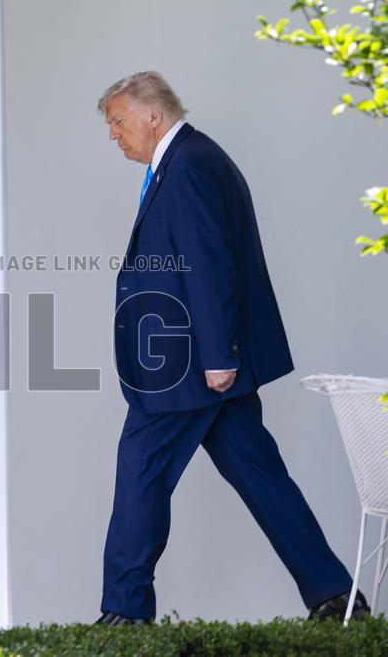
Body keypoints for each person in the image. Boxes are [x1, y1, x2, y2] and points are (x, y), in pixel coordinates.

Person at [94, 71, 369, 625]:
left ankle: (124, 613)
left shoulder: (190, 166)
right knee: (260, 475)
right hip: (200, 362)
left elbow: (207, 262)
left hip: (190, 366)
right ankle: (336, 595)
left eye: (118, 122)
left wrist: (220, 356)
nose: (114, 135)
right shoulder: (184, 161)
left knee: (140, 470)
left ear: (153, 115)